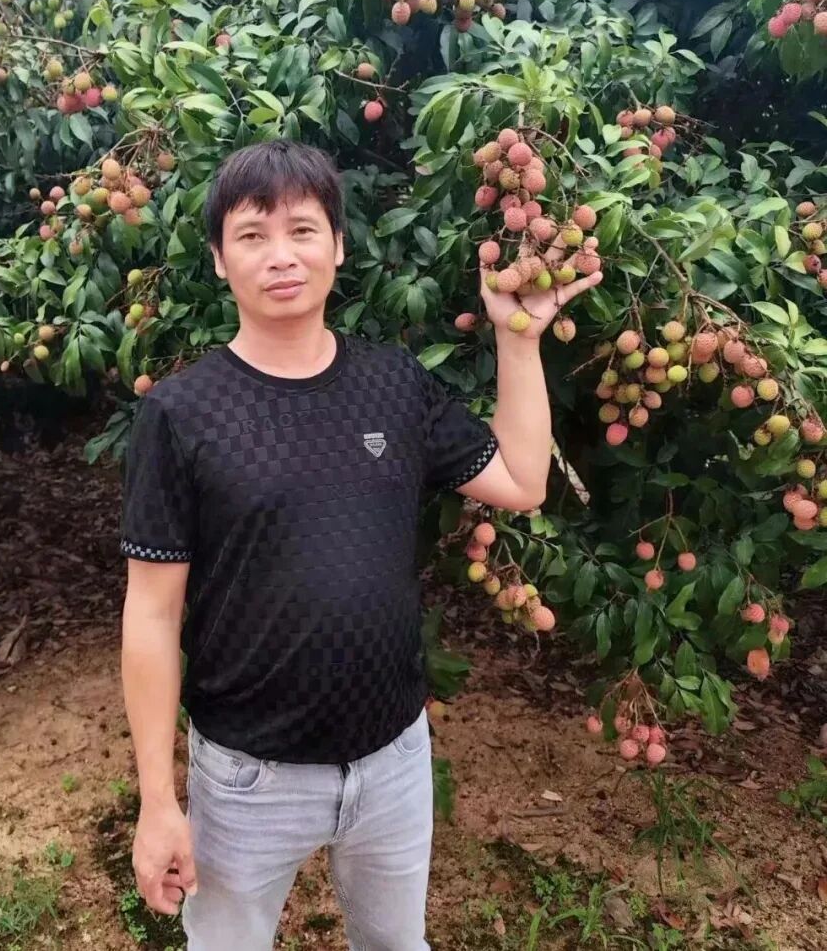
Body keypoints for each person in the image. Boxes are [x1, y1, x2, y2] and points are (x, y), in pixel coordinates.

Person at [119, 139, 602, 950]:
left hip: (393, 760)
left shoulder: (393, 384)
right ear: (220, 260)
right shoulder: (180, 415)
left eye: (303, 230)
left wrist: (518, 339)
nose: (282, 255)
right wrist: (159, 800)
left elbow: (523, 480)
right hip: (247, 777)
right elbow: (152, 614)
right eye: (252, 235)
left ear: (339, 247)